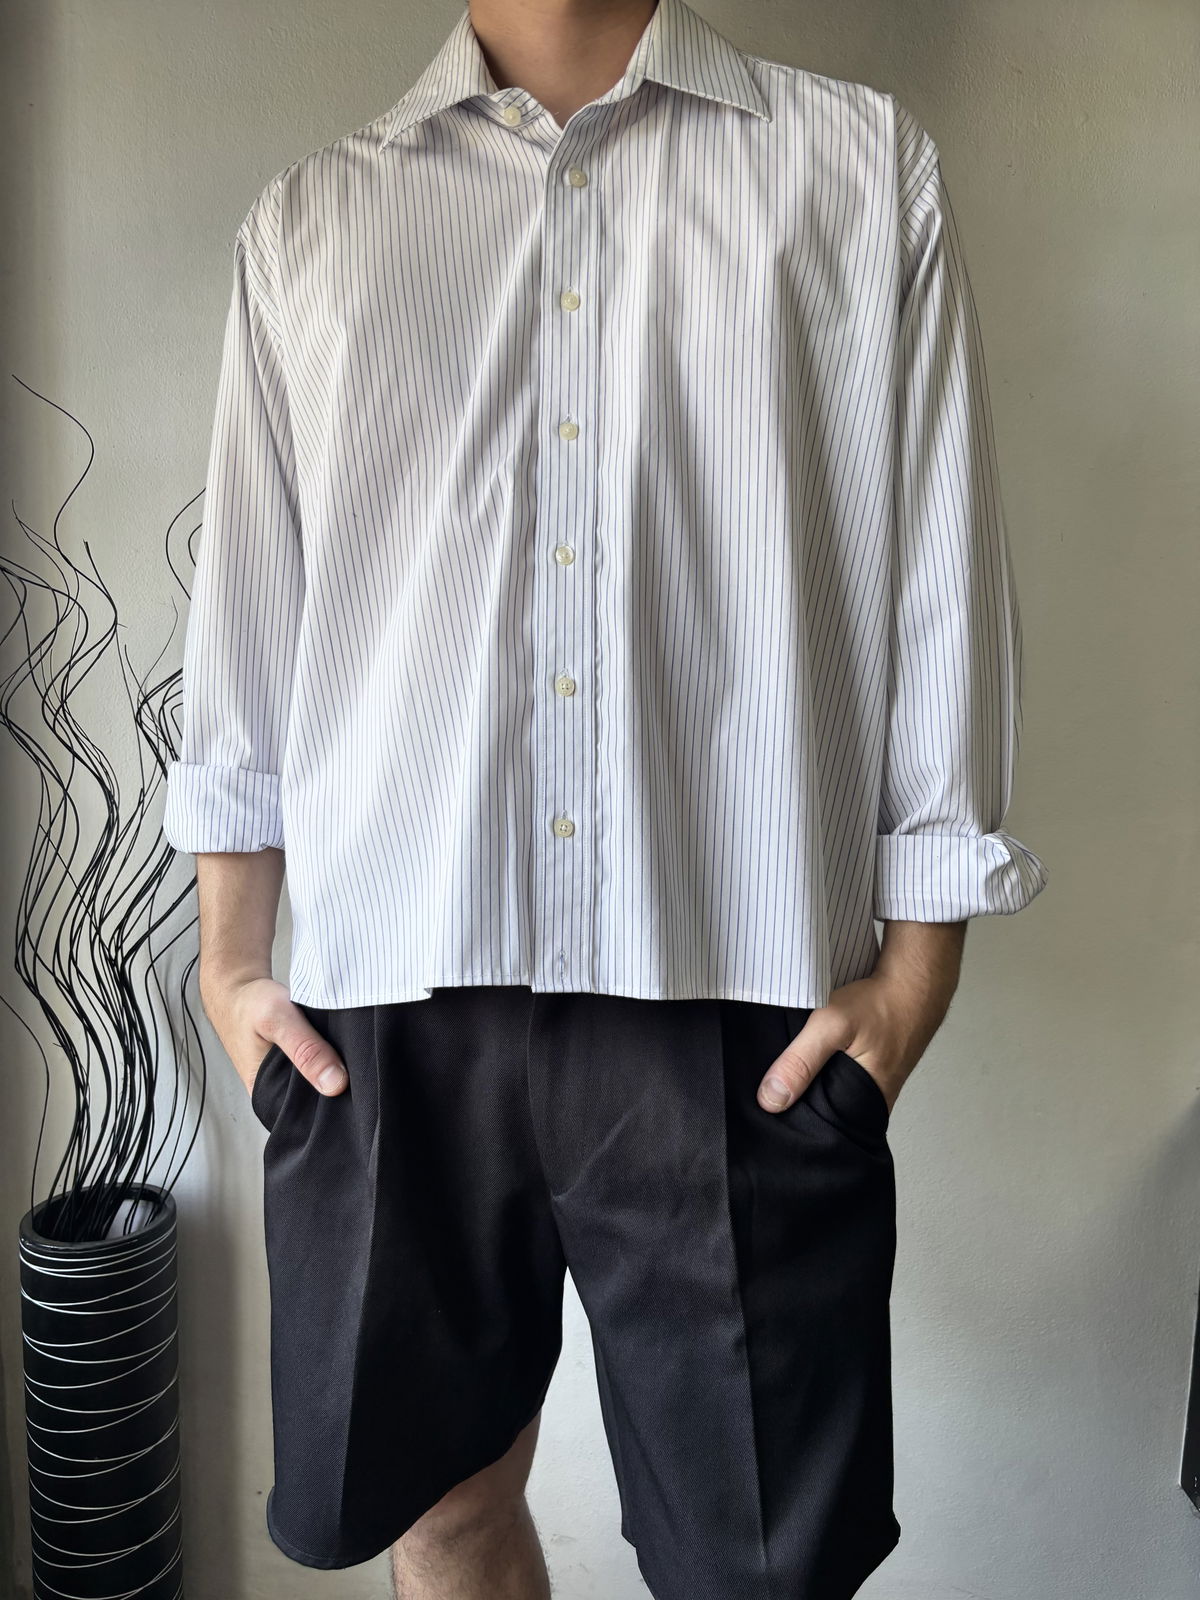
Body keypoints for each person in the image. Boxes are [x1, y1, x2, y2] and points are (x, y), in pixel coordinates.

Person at [162, 0, 1049, 1595]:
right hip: (391, 1009)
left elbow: (941, 578)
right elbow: (249, 615)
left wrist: (919, 969)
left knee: (754, 1566)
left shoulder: (858, 171)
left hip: (743, 994)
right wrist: (231, 958)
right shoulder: (313, 223)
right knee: (438, 1511)